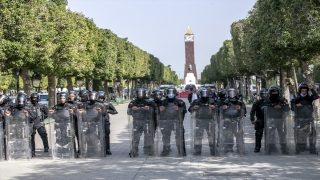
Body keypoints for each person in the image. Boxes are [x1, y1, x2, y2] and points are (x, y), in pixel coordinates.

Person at [291, 83, 318, 154]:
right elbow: (292, 107)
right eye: (302, 91)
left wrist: (311, 89)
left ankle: (312, 149)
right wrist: (296, 105)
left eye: (305, 91)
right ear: (300, 91)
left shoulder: (309, 98)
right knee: (299, 133)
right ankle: (298, 148)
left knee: (312, 133)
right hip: (299, 119)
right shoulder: (296, 99)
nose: (304, 92)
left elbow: (316, 96)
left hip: (309, 118)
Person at [188, 88, 217, 155]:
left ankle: (213, 150)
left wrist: (214, 107)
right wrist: (194, 108)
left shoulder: (212, 101)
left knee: (211, 136)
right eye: (203, 94)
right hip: (199, 120)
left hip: (210, 120)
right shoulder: (196, 101)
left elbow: (219, 108)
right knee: (198, 135)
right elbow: (190, 109)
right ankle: (197, 150)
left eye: (205, 93)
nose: (204, 95)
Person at [127, 88, 155, 157]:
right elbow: (128, 112)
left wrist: (149, 109)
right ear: (136, 93)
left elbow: (155, 111)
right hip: (137, 121)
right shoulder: (133, 102)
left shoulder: (149, 102)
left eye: (141, 93)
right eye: (138, 93)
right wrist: (132, 109)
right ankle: (134, 150)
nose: (140, 94)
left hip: (147, 121)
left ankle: (148, 150)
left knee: (148, 136)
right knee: (136, 136)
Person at [159, 87, 187, 156]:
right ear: (166, 93)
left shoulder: (180, 101)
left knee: (179, 136)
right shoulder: (163, 102)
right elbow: (157, 111)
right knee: (165, 136)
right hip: (166, 121)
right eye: (169, 92)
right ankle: (166, 149)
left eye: (172, 92)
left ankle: (181, 150)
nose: (170, 94)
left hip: (176, 121)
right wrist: (160, 109)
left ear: (175, 93)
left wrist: (179, 109)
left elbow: (185, 110)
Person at [263, 85, 290, 154]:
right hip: (271, 119)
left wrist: (281, 106)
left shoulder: (282, 99)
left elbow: (287, 108)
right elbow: (264, 107)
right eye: (273, 92)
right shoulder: (267, 100)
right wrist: (273, 106)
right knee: (270, 134)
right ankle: (270, 148)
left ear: (279, 92)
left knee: (282, 134)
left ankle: (284, 149)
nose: (274, 93)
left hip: (281, 119)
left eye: (276, 91)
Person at [221, 88, 246, 153]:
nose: (232, 94)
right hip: (227, 120)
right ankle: (228, 148)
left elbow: (244, 111)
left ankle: (240, 147)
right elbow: (220, 111)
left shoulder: (240, 102)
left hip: (237, 120)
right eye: (230, 93)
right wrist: (223, 108)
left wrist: (240, 109)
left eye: (233, 93)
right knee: (228, 135)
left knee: (239, 134)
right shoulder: (225, 102)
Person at [97, 91, 118, 155]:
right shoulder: (95, 104)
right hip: (97, 121)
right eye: (100, 98)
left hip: (105, 121)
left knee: (106, 135)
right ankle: (100, 148)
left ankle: (107, 149)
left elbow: (115, 111)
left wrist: (108, 111)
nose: (101, 99)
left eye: (102, 98)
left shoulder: (107, 104)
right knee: (98, 135)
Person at [250, 88, 267, 153]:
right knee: (258, 134)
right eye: (263, 94)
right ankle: (257, 147)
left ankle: (272, 147)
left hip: (269, 119)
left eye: (265, 94)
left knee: (271, 133)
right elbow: (252, 111)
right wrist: (252, 119)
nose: (264, 95)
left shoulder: (269, 102)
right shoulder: (257, 102)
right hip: (260, 119)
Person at [0, 94, 11, 160]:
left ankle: (6, 155)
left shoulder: (9, 106)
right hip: (1, 124)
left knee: (5, 138)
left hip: (6, 125)